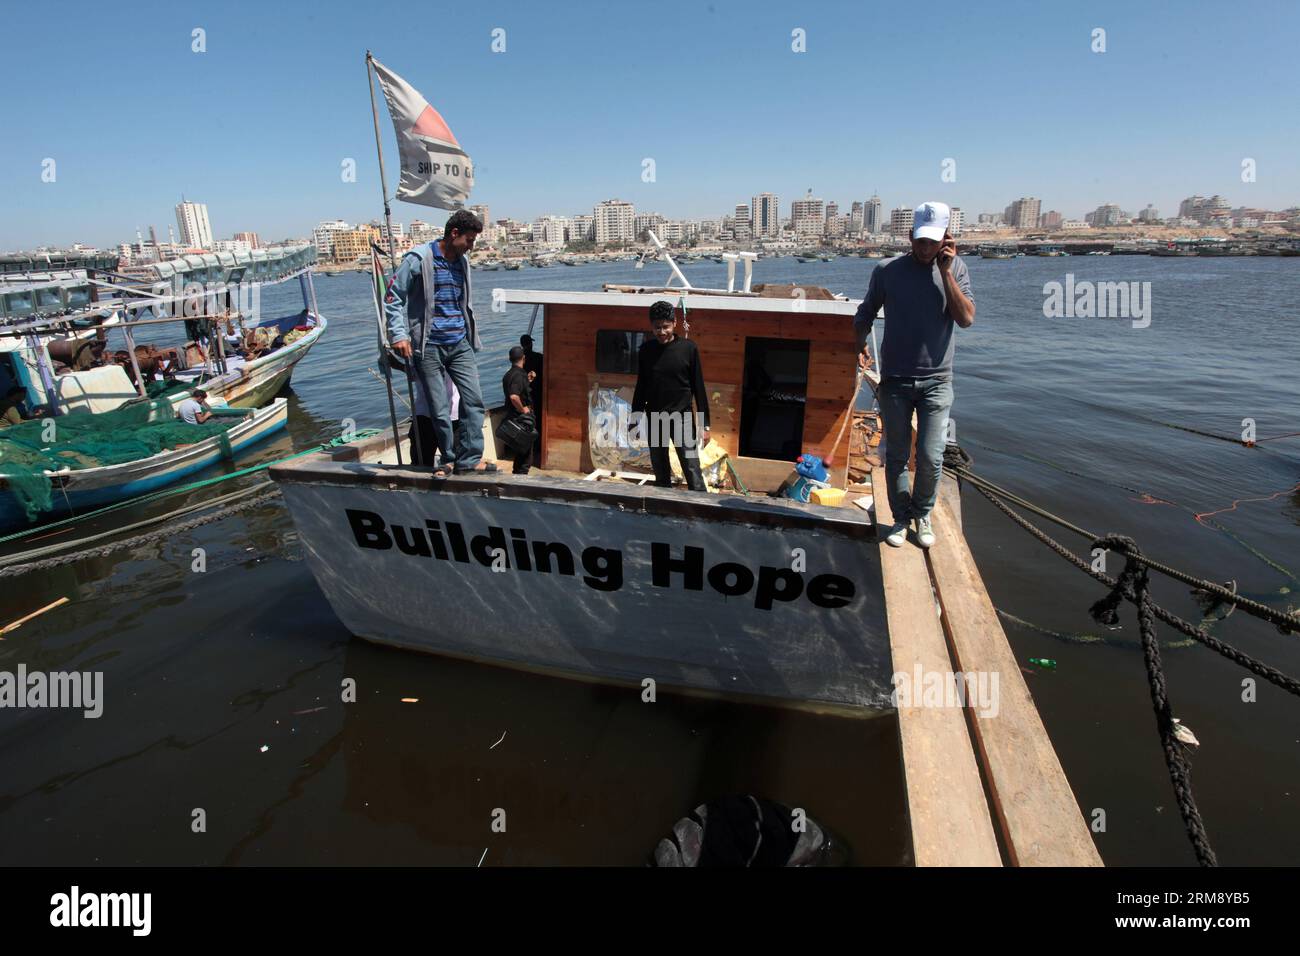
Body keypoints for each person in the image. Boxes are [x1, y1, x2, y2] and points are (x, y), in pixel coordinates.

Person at [853, 201, 975, 550]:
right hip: (896, 381)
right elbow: (865, 313)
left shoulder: (959, 270)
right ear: (910, 236)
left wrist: (947, 272)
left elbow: (965, 319)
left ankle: (923, 512)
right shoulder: (887, 270)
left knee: (932, 454)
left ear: (946, 240)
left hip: (937, 381)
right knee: (896, 454)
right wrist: (858, 344)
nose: (925, 248)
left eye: (933, 242)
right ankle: (901, 517)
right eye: (920, 241)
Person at [385, 209, 496, 477]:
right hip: (429, 346)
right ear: (454, 233)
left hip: (459, 343)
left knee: (473, 402)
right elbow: (393, 297)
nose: (471, 247)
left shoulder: (462, 262)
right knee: (439, 408)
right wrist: (398, 334)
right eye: (469, 240)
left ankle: (468, 459)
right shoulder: (418, 259)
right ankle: (447, 459)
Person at [632, 300, 711, 491]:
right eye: (657, 327)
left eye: (665, 327)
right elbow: (641, 385)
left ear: (674, 323)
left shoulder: (688, 348)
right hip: (655, 417)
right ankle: (663, 506)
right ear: (651, 326)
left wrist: (705, 424)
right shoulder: (646, 350)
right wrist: (635, 417)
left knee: (691, 466)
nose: (661, 332)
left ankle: (701, 505)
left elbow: (698, 388)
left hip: (681, 417)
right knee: (660, 469)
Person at [501, 345, 534, 474]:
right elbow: (514, 397)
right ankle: (521, 478)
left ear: (510, 359)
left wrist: (528, 380)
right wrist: (523, 410)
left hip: (512, 416)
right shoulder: (519, 375)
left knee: (520, 449)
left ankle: (517, 474)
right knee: (525, 452)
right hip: (521, 418)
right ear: (523, 358)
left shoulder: (508, 375)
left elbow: (517, 391)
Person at [520, 334, 543, 450]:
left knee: (529, 420)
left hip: (525, 396)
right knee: (538, 418)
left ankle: (531, 445)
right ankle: (539, 444)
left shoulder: (520, 361)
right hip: (538, 392)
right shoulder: (539, 357)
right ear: (531, 344)